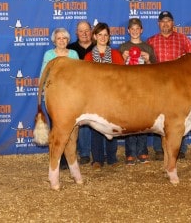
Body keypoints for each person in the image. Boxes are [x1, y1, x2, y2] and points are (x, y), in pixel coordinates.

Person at [147, 11, 191, 161]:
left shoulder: (183, 39)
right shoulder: (151, 41)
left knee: (179, 117)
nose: (165, 24)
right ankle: (158, 149)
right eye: (163, 21)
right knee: (157, 116)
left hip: (178, 87)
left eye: (168, 21)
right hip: (157, 86)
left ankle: (180, 147)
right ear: (158, 24)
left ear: (173, 23)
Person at [84, 22, 124, 170]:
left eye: (105, 35)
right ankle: (97, 159)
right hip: (95, 97)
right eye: (100, 34)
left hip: (113, 96)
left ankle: (112, 158)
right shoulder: (88, 56)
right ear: (94, 36)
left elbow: (122, 75)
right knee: (96, 128)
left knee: (111, 127)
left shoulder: (115, 54)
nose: (102, 37)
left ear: (109, 37)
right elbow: (86, 78)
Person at [40, 27, 79, 170]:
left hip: (72, 96)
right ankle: (58, 159)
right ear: (54, 41)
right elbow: (43, 75)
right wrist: (44, 92)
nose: (62, 41)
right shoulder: (49, 55)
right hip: (55, 97)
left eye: (64, 38)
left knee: (73, 129)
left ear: (68, 40)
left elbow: (79, 76)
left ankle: (71, 158)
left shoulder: (73, 54)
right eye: (59, 38)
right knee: (57, 128)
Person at [119, 18, 156, 165]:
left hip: (144, 88)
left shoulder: (148, 48)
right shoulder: (123, 47)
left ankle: (142, 152)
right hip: (128, 88)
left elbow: (155, 70)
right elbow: (118, 69)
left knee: (143, 120)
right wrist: (123, 58)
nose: (134, 31)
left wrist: (147, 61)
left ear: (142, 30)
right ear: (128, 31)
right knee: (130, 120)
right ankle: (130, 153)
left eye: (137, 29)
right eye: (132, 29)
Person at [67, 21, 95, 165]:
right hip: (77, 91)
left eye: (87, 30)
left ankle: (98, 155)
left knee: (98, 121)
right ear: (76, 33)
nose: (84, 34)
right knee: (82, 121)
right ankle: (84, 153)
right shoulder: (70, 49)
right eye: (81, 31)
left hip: (97, 90)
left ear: (91, 31)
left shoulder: (98, 47)